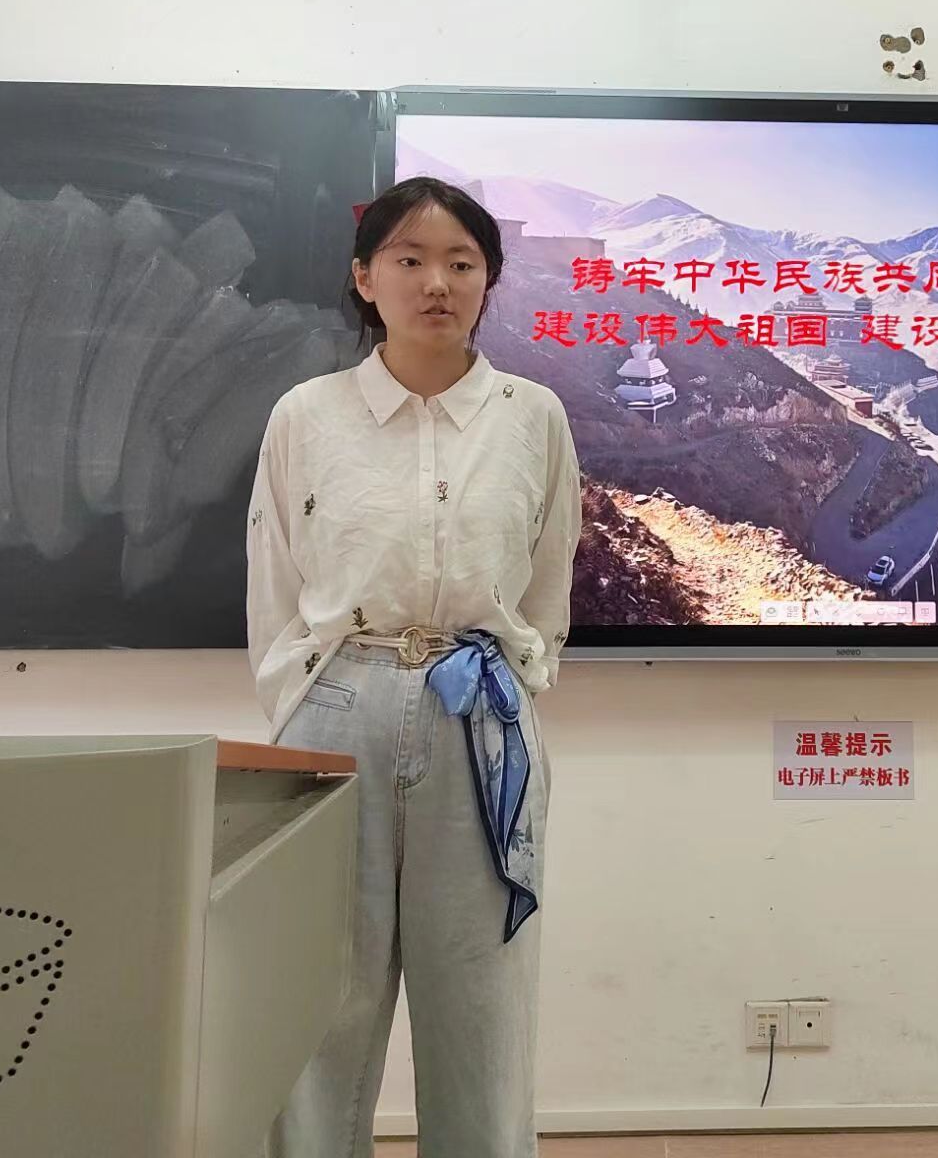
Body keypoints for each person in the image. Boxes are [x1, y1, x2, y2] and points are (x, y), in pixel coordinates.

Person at [247, 175, 581, 1157]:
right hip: (335, 707)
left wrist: (515, 682)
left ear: (489, 280)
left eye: (462, 263)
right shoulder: (306, 415)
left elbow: (548, 580)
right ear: (365, 278)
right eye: (410, 259)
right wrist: (306, 703)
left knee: (482, 994)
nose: (437, 282)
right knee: (319, 993)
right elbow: (275, 583)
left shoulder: (533, 416)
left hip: (481, 718)